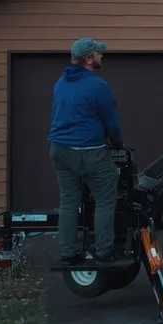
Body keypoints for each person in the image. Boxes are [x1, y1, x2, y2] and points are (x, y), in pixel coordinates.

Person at [48, 38, 125, 265]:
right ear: (89, 59)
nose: (102, 56)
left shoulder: (61, 82)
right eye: (99, 54)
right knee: (105, 198)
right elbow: (111, 122)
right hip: (88, 151)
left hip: (59, 150)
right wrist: (118, 144)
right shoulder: (97, 86)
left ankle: (68, 252)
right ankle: (104, 251)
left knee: (69, 201)